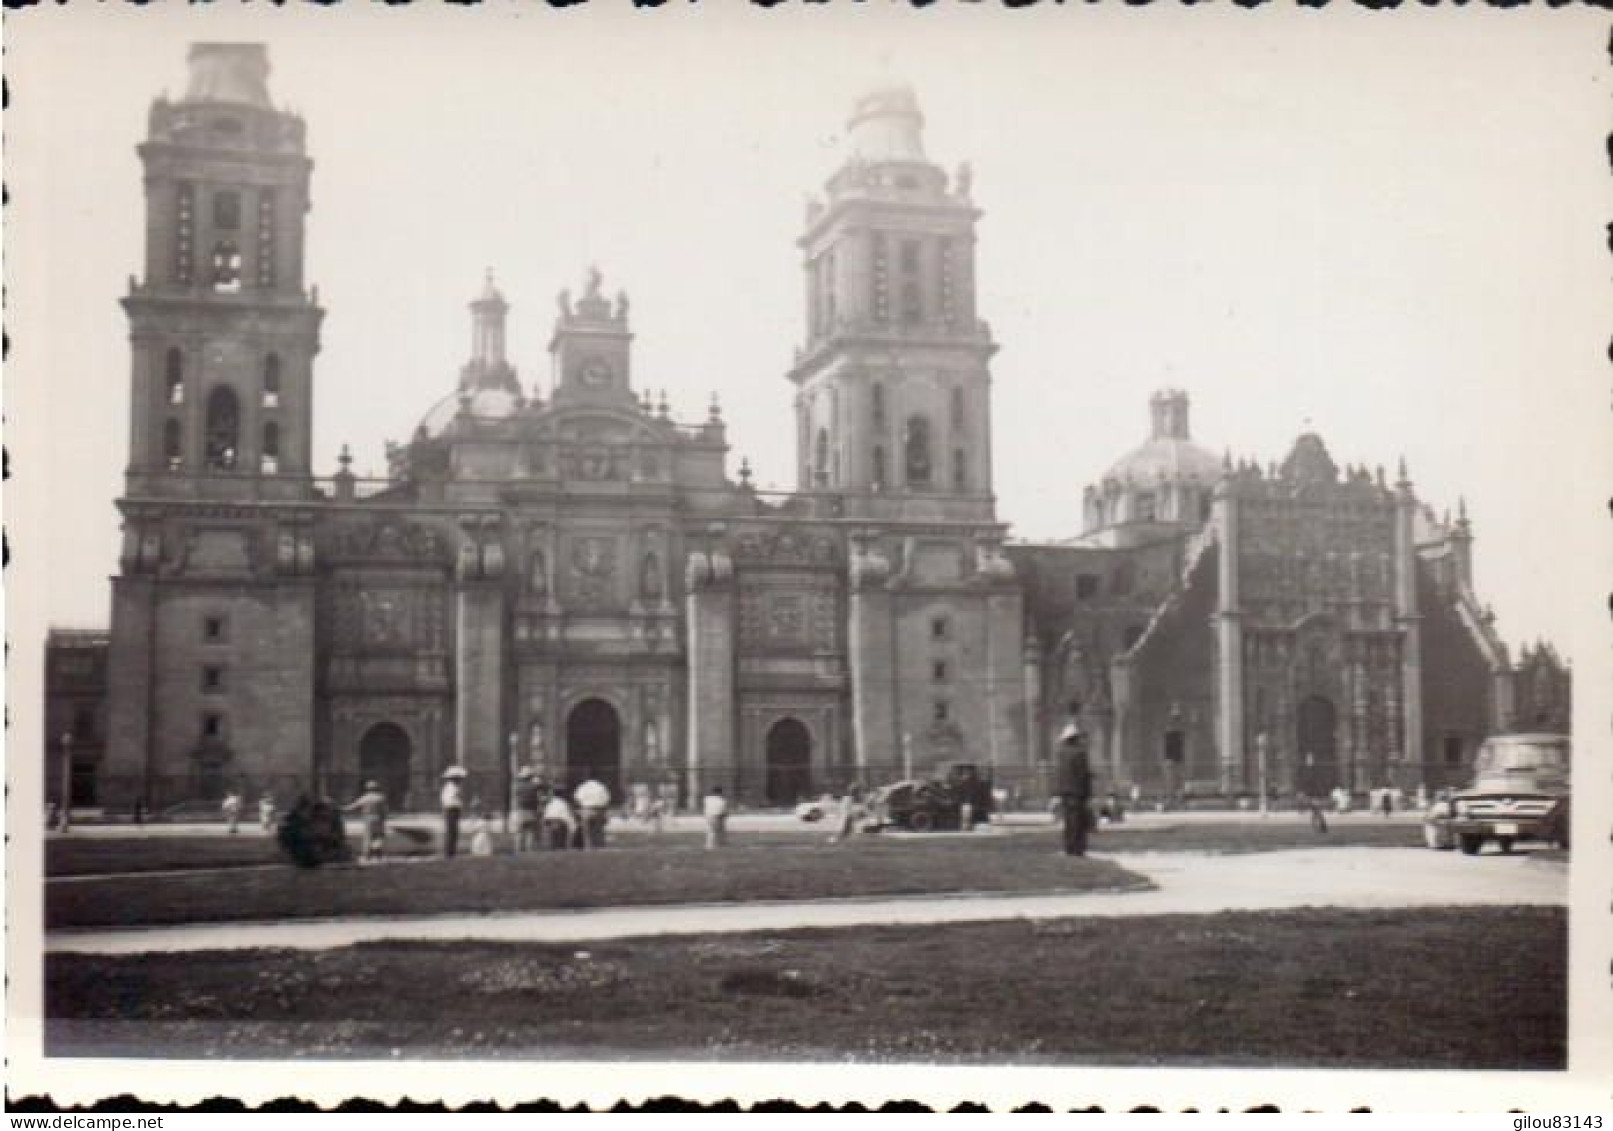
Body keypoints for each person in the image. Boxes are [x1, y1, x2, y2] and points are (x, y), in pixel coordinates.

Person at [1055, 721, 1093, 856]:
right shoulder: (1080, 753)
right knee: (1079, 821)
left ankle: (1069, 847)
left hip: (1065, 792)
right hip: (1078, 792)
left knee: (1068, 821)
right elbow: (1083, 774)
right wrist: (1088, 792)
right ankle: (1078, 848)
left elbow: (1060, 774)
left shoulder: (1061, 753)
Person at [343, 780, 389, 863]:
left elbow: (354, 806)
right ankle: (378, 854)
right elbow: (385, 810)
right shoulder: (381, 797)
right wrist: (384, 818)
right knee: (379, 836)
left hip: (368, 819)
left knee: (368, 837)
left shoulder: (365, 798)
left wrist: (343, 809)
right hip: (378, 819)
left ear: (367, 788)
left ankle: (366, 856)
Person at [574, 777, 612, 849]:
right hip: (598, 810)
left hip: (586, 810)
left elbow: (577, 798)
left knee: (586, 832)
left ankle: (588, 847)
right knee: (598, 830)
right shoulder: (602, 787)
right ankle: (599, 846)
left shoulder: (582, 787)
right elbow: (607, 800)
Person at [513, 768, 541, 852]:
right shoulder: (533, 786)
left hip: (520, 811)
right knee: (530, 832)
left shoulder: (517, 786)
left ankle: (518, 850)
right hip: (532, 811)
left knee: (519, 832)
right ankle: (529, 850)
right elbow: (542, 788)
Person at [440, 771, 465, 857]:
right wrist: (458, 795)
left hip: (454, 809)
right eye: (457, 778)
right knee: (451, 831)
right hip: (451, 809)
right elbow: (450, 799)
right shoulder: (450, 787)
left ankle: (452, 851)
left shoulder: (454, 786)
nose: (459, 779)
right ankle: (449, 852)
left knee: (454, 831)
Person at [702, 785, 729, 850]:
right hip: (717, 816)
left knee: (711, 830)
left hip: (708, 815)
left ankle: (711, 844)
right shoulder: (722, 800)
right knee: (717, 830)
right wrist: (725, 816)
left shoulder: (707, 798)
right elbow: (723, 810)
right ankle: (715, 844)